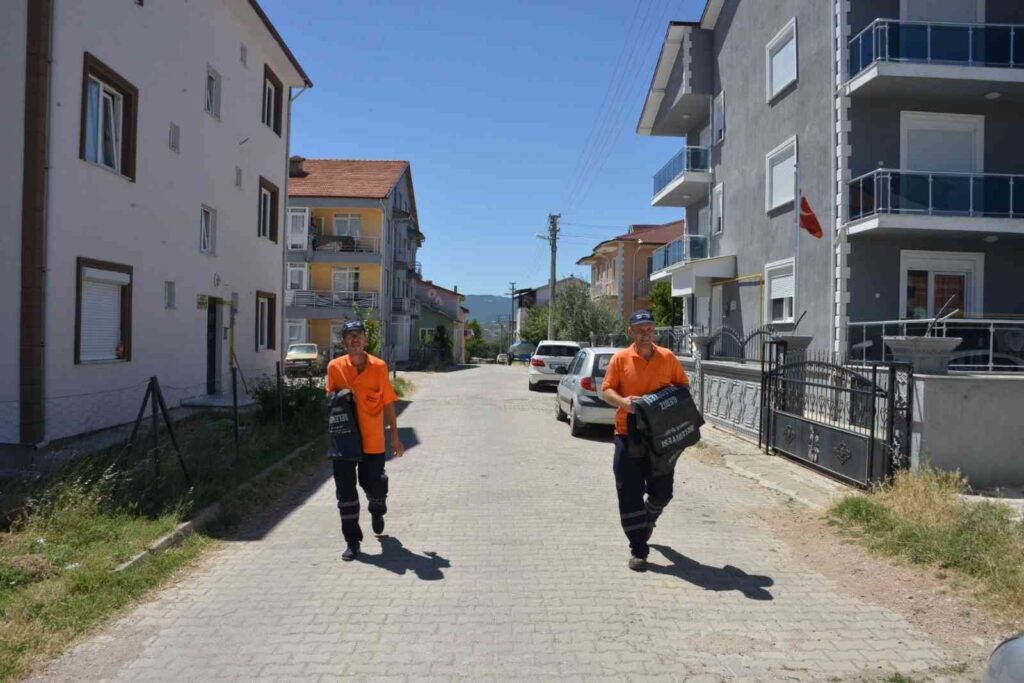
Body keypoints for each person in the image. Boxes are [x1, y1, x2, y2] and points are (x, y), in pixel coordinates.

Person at [601, 310, 690, 572]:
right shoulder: (620, 359)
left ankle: (648, 519)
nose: (645, 333)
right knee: (629, 492)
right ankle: (639, 549)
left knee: (663, 492)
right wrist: (624, 402)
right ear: (630, 332)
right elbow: (606, 390)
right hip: (627, 434)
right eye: (640, 329)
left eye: (649, 329)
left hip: (660, 437)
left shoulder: (668, 357)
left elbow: (683, 387)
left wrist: (663, 401)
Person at [325, 320, 406, 561]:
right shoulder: (334, 367)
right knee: (345, 493)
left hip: (373, 440)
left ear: (366, 340)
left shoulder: (379, 367)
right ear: (343, 342)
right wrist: (337, 397)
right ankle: (352, 541)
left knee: (374, 483)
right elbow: (329, 401)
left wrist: (395, 437)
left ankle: (377, 508)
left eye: (358, 335)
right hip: (344, 442)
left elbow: (388, 403)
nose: (355, 339)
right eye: (349, 336)